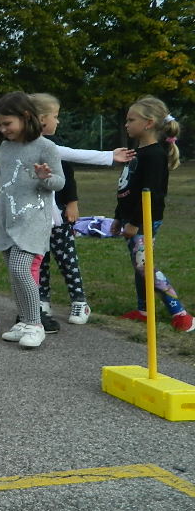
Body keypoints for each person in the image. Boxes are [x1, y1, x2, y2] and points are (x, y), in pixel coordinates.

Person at [29, 93, 135, 330]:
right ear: (41, 119)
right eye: (55, 116)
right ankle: (42, 300)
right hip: (34, 217)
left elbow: (72, 158)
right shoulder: (21, 145)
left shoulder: (50, 145)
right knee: (40, 260)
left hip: (57, 216)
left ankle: (79, 301)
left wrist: (109, 157)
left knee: (66, 259)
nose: (58, 121)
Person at [0, 91, 64, 349]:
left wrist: (45, 177)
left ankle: (35, 324)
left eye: (7, 123)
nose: (3, 129)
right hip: (7, 217)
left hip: (33, 219)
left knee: (21, 269)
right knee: (14, 273)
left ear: (26, 116)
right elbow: (7, 179)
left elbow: (59, 182)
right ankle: (23, 322)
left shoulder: (46, 147)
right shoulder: (6, 147)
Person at [111, 95, 193, 332]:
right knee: (139, 266)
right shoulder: (136, 153)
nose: (126, 124)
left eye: (131, 120)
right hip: (131, 219)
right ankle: (144, 310)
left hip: (145, 220)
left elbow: (152, 194)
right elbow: (126, 187)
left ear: (148, 123)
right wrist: (119, 217)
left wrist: (136, 223)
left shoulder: (155, 155)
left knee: (144, 266)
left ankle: (181, 314)